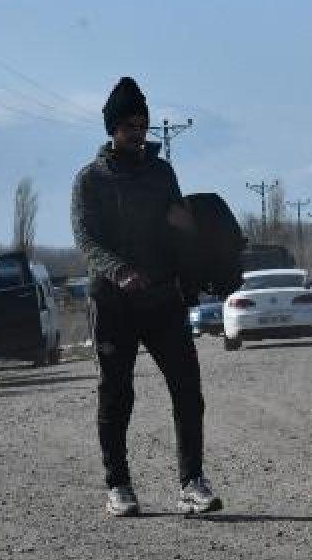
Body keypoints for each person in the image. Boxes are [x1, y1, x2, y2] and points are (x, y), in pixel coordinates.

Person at [71, 77, 222, 517]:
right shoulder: (90, 180)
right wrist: (118, 271)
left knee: (188, 391)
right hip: (114, 303)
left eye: (142, 124)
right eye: (129, 125)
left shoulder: (161, 172)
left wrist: (194, 240)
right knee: (116, 393)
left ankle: (191, 483)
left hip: (161, 301)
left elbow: (176, 226)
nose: (138, 132)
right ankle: (118, 485)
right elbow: (84, 239)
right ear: (112, 129)